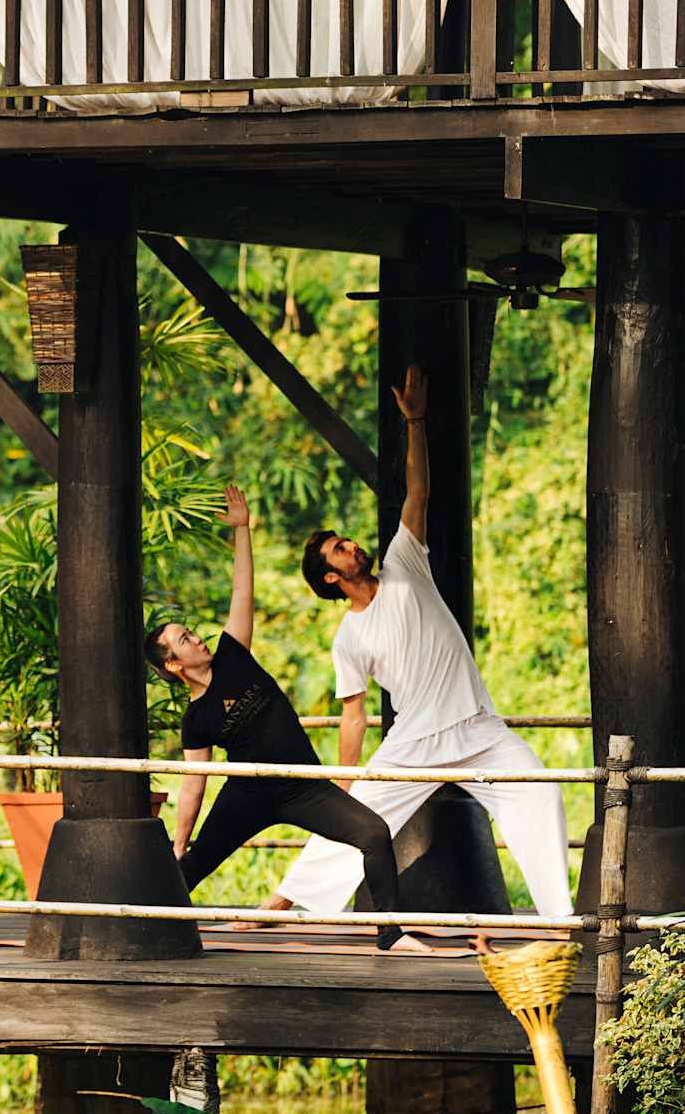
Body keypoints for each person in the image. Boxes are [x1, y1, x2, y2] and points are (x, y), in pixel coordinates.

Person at [269, 365, 575, 928]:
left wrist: (415, 421)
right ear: (331, 578)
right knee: (355, 821)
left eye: (347, 540)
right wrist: (345, 780)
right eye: (339, 550)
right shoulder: (349, 637)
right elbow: (354, 714)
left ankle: (560, 921)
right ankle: (277, 905)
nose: (352, 546)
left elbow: (419, 491)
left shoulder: (403, 563)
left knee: (540, 795)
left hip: (478, 729)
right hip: (413, 743)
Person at [144, 484, 428, 955]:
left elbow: (242, 590)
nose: (196, 638)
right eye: (184, 640)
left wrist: (242, 530)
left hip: (303, 786)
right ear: (173, 665)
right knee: (190, 867)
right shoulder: (196, 719)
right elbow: (194, 783)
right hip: (248, 795)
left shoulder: (233, 655)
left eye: (191, 631)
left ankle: (390, 934)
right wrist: (179, 841)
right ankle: (147, 932)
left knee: (373, 833)